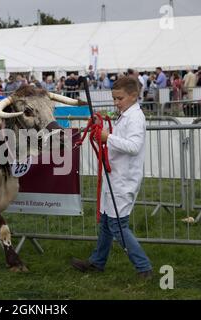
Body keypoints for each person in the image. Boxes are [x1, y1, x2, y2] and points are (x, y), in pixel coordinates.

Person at [71, 76, 153, 280]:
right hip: (114, 175)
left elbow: (133, 147)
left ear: (134, 96)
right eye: (114, 98)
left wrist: (108, 138)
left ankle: (144, 267)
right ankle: (97, 262)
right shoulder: (125, 113)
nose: (116, 103)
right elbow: (120, 136)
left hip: (124, 179)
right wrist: (102, 125)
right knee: (107, 222)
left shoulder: (135, 117)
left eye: (119, 98)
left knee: (117, 225)